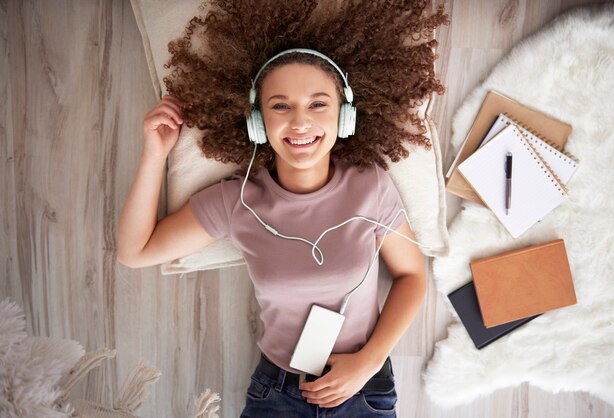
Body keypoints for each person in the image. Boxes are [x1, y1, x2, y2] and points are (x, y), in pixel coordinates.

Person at [117, 2, 448, 416]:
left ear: (344, 115)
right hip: (277, 394)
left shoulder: (370, 185)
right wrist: (154, 154)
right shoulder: (236, 202)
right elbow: (134, 252)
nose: (300, 122)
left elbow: (411, 276)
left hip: (362, 387)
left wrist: (368, 362)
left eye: (317, 104)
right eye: (280, 106)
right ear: (258, 121)